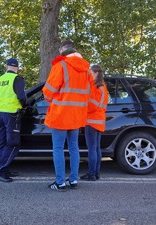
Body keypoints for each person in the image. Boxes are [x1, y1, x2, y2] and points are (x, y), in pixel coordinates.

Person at [43, 40, 94, 191]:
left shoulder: (61, 65)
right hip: (77, 116)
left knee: (58, 148)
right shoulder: (87, 69)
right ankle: (73, 180)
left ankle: (60, 182)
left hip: (61, 114)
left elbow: (48, 92)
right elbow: (89, 92)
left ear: (64, 50)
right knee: (74, 148)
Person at [0, 58, 27, 182]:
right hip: (13, 114)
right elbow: (21, 97)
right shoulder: (17, 79)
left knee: (1, 142)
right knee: (13, 144)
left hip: (1, 113)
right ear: (17, 67)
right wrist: (25, 105)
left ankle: (2, 168)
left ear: (6, 66)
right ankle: (1, 171)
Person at [80, 65, 108, 181]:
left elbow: (91, 105)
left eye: (90, 72)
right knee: (96, 148)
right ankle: (96, 173)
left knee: (92, 148)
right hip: (99, 121)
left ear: (95, 73)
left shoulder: (94, 87)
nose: (89, 74)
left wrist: (83, 105)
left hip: (91, 121)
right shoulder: (103, 87)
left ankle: (91, 174)